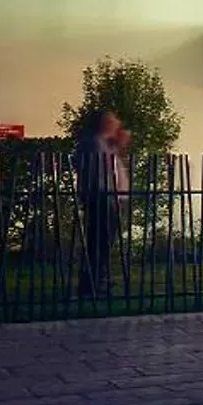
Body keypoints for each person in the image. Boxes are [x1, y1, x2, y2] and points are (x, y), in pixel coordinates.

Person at [74, 109, 122, 299]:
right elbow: (102, 173)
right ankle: (92, 283)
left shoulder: (99, 142)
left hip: (102, 197)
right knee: (99, 241)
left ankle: (97, 279)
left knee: (101, 241)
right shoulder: (94, 143)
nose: (117, 123)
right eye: (113, 120)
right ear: (104, 123)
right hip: (100, 197)